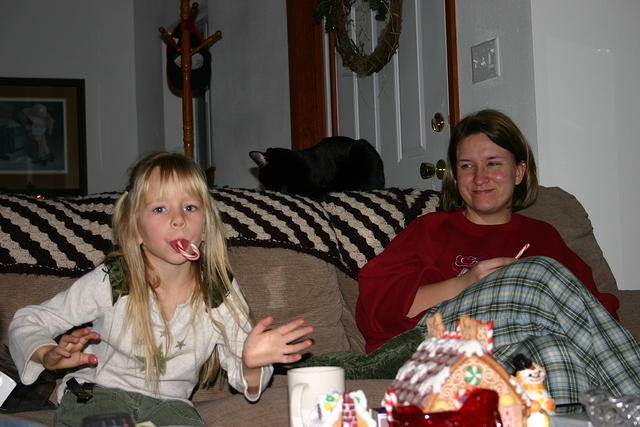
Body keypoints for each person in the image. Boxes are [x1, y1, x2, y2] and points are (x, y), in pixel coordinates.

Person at [344, 109, 640, 409]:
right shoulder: (431, 230)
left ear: (519, 172)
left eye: (493, 164)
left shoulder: (544, 235)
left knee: (554, 355)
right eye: (467, 166)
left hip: (509, 359)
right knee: (537, 272)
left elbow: (594, 310)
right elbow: (375, 308)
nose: (479, 177)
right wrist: (466, 284)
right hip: (442, 347)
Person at [9, 152, 314, 426]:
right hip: (99, 394)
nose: (178, 219)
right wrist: (46, 354)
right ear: (135, 229)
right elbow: (30, 320)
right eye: (159, 209)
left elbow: (245, 375)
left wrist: (250, 363)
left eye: (190, 207)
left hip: (171, 406)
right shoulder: (115, 278)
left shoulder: (218, 291)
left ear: (205, 228)